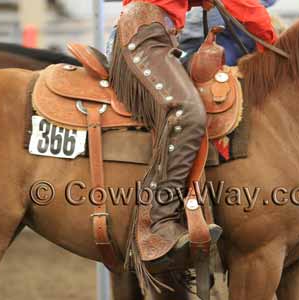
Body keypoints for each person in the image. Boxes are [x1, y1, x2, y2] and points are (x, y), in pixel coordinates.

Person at [108, 0, 276, 267]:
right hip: (145, 36)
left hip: (158, 36)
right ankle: (156, 222)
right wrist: (273, 45)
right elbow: (243, 5)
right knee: (187, 112)